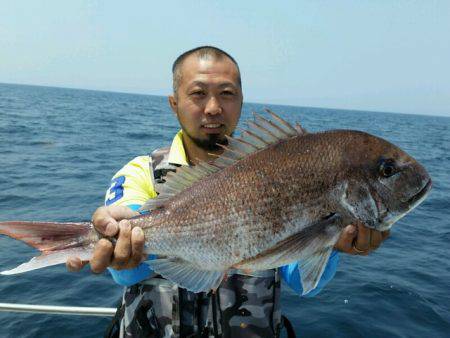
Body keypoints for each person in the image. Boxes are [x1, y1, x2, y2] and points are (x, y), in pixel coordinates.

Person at [67, 46, 389, 338]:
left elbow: (302, 282)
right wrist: (120, 238)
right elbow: (126, 274)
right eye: (197, 94)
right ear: (173, 103)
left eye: (226, 93)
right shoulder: (140, 172)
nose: (213, 108)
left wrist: (333, 244)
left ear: (241, 100)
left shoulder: (277, 168)